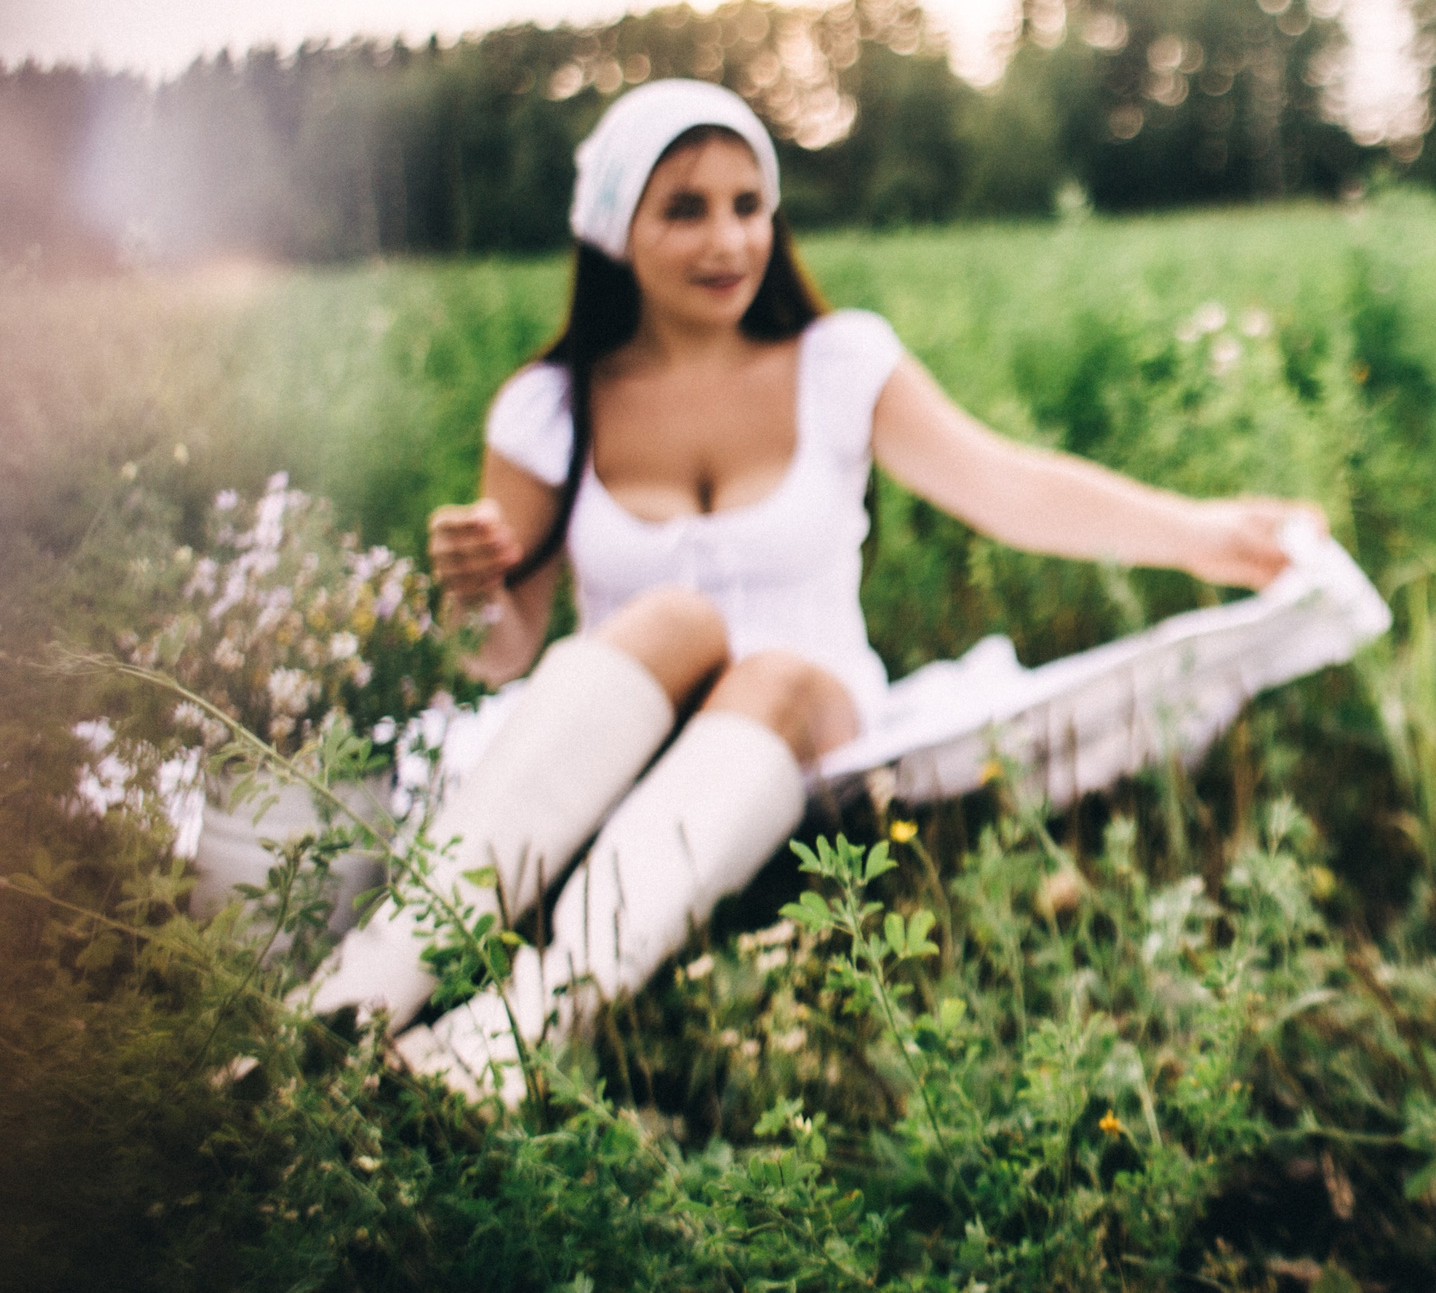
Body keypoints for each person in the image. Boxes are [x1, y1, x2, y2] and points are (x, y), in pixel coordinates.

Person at [309, 77, 1319, 1092]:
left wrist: (1201, 535)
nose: (729, 242)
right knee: (672, 618)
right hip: (623, 735)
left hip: (814, 734)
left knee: (774, 669)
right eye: (685, 210)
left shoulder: (837, 363)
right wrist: (474, 590)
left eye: (749, 206)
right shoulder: (546, 407)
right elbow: (503, 653)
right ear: (615, 229)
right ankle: (350, 1002)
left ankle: (513, 1036)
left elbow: (1007, 487)